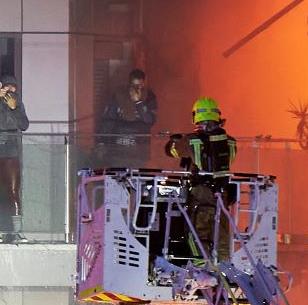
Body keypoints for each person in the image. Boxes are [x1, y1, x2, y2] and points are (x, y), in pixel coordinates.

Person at [163, 97, 236, 260]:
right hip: (222, 194)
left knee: (197, 232)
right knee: (221, 233)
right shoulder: (230, 142)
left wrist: (174, 140)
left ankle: (201, 267)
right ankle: (223, 268)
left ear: (195, 116)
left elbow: (171, 151)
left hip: (200, 194)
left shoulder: (192, 140)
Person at [0, 73, 30, 242]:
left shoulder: (18, 104)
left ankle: (17, 231)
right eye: (6, 86)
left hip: (11, 152)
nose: (10, 89)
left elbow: (24, 125)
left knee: (14, 192)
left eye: (13, 86)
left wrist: (14, 108)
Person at [99, 68, 159, 168]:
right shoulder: (118, 96)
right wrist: (102, 142)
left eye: (140, 86)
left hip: (138, 151)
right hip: (118, 151)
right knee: (118, 175)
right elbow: (108, 120)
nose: (137, 90)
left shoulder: (149, 98)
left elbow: (150, 121)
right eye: (134, 86)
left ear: (144, 84)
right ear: (129, 84)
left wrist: (138, 102)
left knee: (137, 176)